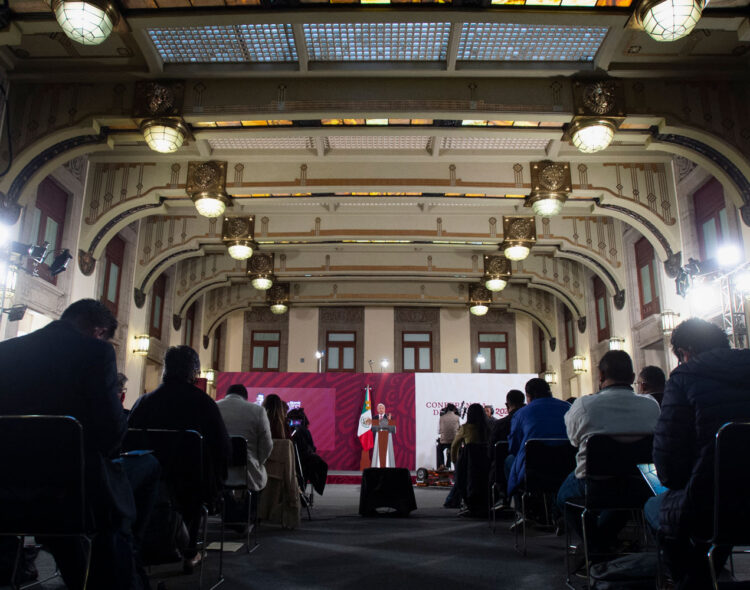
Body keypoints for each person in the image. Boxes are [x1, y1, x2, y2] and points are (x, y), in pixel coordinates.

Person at [0, 298, 158, 590]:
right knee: (144, 468)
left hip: (8, 488)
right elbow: (112, 433)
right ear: (98, 331)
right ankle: (126, 572)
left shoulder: (6, 352)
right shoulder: (95, 352)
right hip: (75, 487)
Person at [645, 319, 750, 589]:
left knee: (658, 507)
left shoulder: (684, 378)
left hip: (713, 505)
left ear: (686, 351)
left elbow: (668, 468)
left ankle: (691, 581)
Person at [129, 345, 231, 571]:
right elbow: (222, 447)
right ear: (194, 372)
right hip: (191, 484)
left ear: (166, 369)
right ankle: (190, 551)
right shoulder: (203, 403)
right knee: (197, 477)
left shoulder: (144, 402)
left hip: (147, 484)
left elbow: (127, 441)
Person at [556, 350, 659, 555]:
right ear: (631, 378)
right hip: (641, 483)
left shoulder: (584, 405)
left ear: (601, 376)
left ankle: (597, 548)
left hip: (595, 482)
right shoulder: (652, 406)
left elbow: (573, 440)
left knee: (563, 498)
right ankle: (604, 542)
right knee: (623, 499)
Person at [506, 378, 570, 498]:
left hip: (534, 469)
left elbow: (514, 447)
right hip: (567, 466)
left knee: (509, 460)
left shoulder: (521, 414)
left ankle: (520, 507)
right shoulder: (568, 408)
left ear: (528, 396)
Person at [216, 384, 273, 493]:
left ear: (227, 395)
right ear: (245, 397)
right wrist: (257, 462)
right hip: (248, 475)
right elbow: (267, 445)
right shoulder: (258, 411)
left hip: (217, 473)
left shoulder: (214, 407)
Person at [444, 403, 489, 509]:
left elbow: (454, 446)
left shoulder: (465, 428)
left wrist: (455, 461)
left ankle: (451, 500)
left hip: (470, 464)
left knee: (460, 475)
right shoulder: (488, 428)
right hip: (486, 463)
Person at [437, 403, 460, 469]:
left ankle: (442, 464)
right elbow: (459, 429)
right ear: (454, 409)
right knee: (452, 449)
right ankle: (454, 466)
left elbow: (440, 430)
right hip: (454, 441)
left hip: (444, 441)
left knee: (439, 449)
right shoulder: (457, 418)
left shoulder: (442, 418)